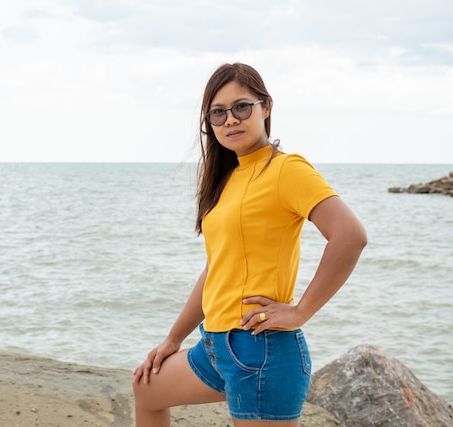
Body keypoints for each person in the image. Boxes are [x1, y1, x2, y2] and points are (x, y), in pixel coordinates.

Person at [132, 63, 367, 427]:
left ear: (266, 107)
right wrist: (173, 338)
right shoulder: (229, 177)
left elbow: (350, 236)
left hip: (262, 350)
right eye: (218, 113)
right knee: (147, 390)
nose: (230, 120)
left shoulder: (286, 169)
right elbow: (217, 267)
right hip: (214, 346)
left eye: (242, 107)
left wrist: (300, 311)